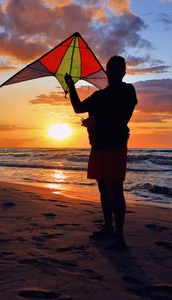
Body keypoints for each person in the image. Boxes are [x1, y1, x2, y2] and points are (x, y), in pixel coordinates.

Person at [65, 56, 138, 251]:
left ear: (123, 72)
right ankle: (108, 227)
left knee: (115, 189)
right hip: (98, 146)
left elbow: (122, 114)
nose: (114, 72)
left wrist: (97, 119)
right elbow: (78, 108)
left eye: (117, 69)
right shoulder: (99, 96)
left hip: (115, 146)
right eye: (111, 69)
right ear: (106, 72)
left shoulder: (127, 90)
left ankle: (119, 237)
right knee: (103, 188)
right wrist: (71, 86)